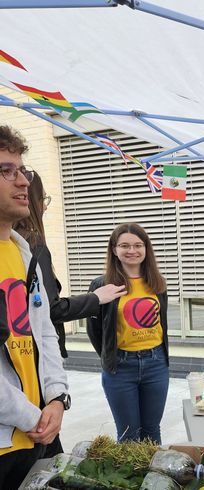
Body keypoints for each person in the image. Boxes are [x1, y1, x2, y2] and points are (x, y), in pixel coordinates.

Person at [14, 171, 126, 455]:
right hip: (31, 372)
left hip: (28, 375)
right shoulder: (31, 245)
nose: (45, 206)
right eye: (44, 199)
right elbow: (49, 312)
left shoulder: (19, 245)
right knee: (46, 459)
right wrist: (96, 298)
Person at [0, 125, 69, 490]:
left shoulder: (23, 252)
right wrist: (32, 416)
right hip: (10, 438)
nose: (24, 181)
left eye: (22, 169)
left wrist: (56, 398)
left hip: (38, 435)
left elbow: (44, 333)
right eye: (6, 170)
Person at [87, 223, 169, 445]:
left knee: (152, 431)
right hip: (120, 368)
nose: (132, 250)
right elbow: (94, 330)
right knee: (128, 435)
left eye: (138, 245)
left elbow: (162, 323)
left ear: (146, 249)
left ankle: (154, 469)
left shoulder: (157, 283)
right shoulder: (102, 285)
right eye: (124, 246)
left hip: (156, 363)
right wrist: (110, 356)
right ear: (114, 250)